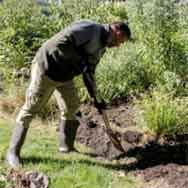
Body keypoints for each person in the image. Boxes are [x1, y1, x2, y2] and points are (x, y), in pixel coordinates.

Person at [6, 19, 131, 167]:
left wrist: (96, 97)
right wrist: (80, 59)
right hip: (46, 68)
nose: (118, 45)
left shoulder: (101, 48)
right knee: (31, 108)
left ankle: (67, 147)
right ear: (116, 30)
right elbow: (61, 42)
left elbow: (89, 73)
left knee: (72, 108)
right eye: (120, 41)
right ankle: (13, 153)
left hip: (65, 76)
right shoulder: (90, 29)